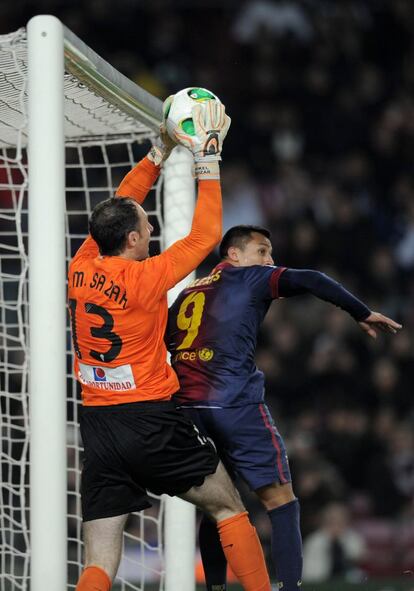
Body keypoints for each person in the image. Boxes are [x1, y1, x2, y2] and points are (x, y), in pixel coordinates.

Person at [68, 104, 272, 591]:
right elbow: (204, 236)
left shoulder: (82, 263)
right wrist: (208, 158)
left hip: (98, 425)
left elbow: (120, 203)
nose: (154, 232)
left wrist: (158, 152)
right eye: (147, 227)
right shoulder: (145, 277)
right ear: (134, 239)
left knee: (100, 555)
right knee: (228, 506)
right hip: (150, 418)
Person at [166, 224, 402, 591]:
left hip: (187, 410)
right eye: (262, 251)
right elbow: (311, 278)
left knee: (219, 507)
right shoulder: (248, 279)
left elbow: (167, 343)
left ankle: (214, 587)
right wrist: (360, 311)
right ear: (234, 255)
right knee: (281, 501)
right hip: (235, 402)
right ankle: (290, 587)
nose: (269, 260)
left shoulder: (185, 295)